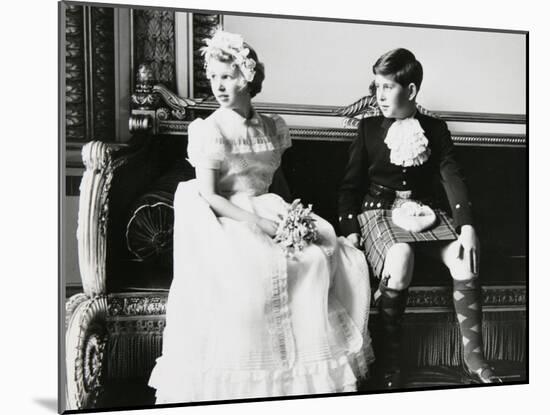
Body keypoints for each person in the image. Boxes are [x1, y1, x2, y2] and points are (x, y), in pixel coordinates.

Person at [148, 30, 374, 404]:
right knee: (255, 272)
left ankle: (301, 380)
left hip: (269, 205)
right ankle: (252, 384)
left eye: (228, 76)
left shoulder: (272, 126)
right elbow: (210, 195)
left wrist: (291, 219)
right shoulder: (211, 129)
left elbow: (276, 182)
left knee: (321, 255)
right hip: (225, 214)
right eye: (215, 77)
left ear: (248, 77)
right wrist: (261, 225)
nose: (219, 85)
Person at [338, 48, 502, 389]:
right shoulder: (368, 129)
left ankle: (474, 358)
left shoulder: (436, 129)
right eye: (377, 86)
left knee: (464, 259)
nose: (379, 95)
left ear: (410, 91)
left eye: (387, 87)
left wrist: (467, 228)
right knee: (400, 256)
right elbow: (349, 188)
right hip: (379, 212)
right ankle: (389, 361)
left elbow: (452, 178)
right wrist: (351, 231)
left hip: (426, 212)